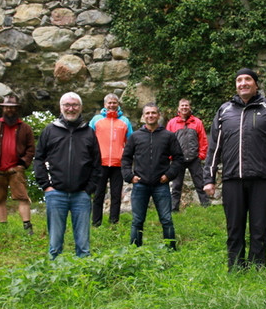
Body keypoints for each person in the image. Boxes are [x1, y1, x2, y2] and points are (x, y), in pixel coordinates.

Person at [204, 68, 266, 270]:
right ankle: (236, 268)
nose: (243, 83)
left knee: (259, 227)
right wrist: (209, 178)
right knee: (234, 227)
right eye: (239, 80)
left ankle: (257, 268)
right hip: (232, 179)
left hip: (262, 179)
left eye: (247, 79)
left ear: (256, 84)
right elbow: (214, 147)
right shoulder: (224, 110)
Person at [34, 92, 102, 260]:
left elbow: (96, 163)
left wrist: (89, 189)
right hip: (56, 193)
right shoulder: (50, 130)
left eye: (74, 105)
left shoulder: (88, 132)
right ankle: (55, 271)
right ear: (61, 107)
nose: (71, 109)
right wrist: (46, 186)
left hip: (81, 195)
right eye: (67, 105)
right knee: (55, 244)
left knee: (83, 246)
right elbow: (39, 158)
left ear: (81, 108)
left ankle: (84, 272)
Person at [122, 103, 184, 248]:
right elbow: (126, 158)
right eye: (148, 113)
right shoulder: (135, 136)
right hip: (140, 184)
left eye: (153, 113)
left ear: (158, 115)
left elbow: (178, 158)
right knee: (137, 221)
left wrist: (169, 175)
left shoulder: (168, 136)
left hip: (160, 184)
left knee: (166, 219)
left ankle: (171, 249)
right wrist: (129, 176)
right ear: (143, 116)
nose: (151, 115)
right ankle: (135, 250)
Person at [0, 94, 36, 235]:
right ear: (3, 108)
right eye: (6, 107)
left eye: (12, 107)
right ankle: (3, 227)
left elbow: (31, 148)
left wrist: (23, 163)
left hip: (16, 169)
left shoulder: (25, 128)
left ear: (17, 109)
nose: (9, 110)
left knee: (22, 197)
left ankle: (27, 227)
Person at [88, 93, 133, 227]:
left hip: (118, 163)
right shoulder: (96, 120)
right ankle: (96, 223)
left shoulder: (125, 121)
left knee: (116, 195)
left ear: (118, 104)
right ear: (105, 104)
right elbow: (88, 139)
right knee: (98, 194)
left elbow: (131, 141)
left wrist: (127, 158)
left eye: (114, 102)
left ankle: (114, 222)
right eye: (110, 103)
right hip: (100, 162)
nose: (112, 105)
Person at [165, 98, 210, 211]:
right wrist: (170, 156)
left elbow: (203, 139)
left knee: (200, 184)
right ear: (178, 108)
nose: (184, 107)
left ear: (190, 107)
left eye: (186, 105)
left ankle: (206, 206)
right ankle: (174, 209)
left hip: (194, 158)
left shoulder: (197, 122)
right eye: (182, 105)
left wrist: (201, 155)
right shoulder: (172, 123)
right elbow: (167, 141)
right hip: (178, 159)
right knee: (176, 185)